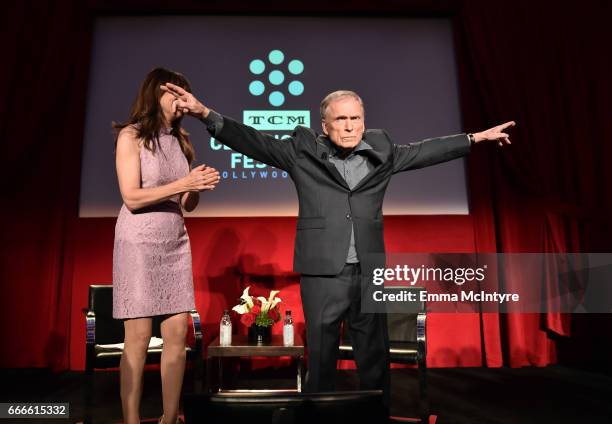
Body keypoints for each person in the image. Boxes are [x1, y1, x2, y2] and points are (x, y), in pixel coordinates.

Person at [161, 83, 513, 409]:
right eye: (340, 119)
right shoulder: (302, 152)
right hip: (323, 273)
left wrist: (474, 138)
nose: (349, 126)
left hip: (368, 272)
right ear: (325, 125)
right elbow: (254, 140)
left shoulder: (382, 151)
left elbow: (424, 151)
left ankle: (377, 417)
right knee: (323, 358)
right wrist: (206, 114)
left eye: (355, 118)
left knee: (374, 358)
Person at [112, 68, 220, 424]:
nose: (180, 102)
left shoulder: (181, 141)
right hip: (139, 241)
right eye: (174, 93)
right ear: (154, 94)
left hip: (175, 240)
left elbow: (185, 204)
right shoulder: (131, 137)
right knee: (139, 337)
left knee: (177, 332)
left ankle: (169, 417)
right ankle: (130, 419)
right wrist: (184, 182)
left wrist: (195, 189)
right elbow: (131, 197)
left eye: (184, 94)